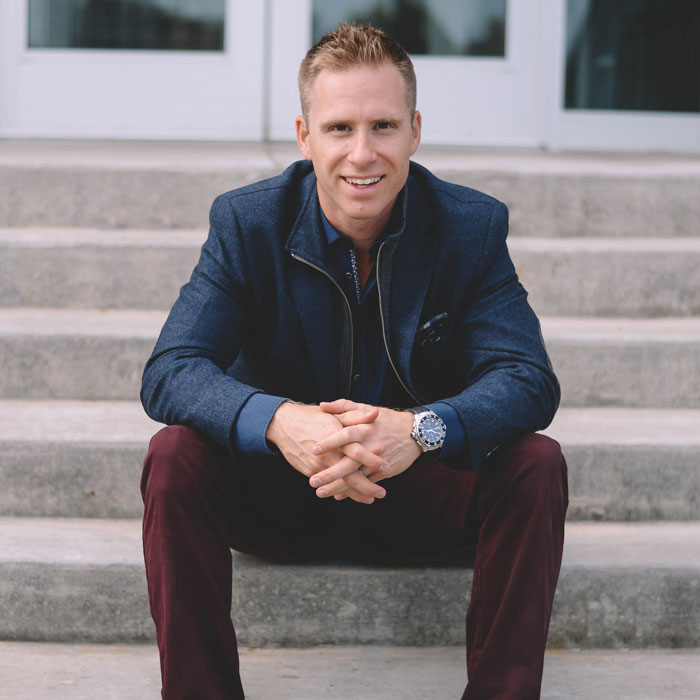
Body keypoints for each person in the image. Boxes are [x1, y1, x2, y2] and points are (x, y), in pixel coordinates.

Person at [140, 22, 568, 700]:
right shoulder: (248, 223)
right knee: (174, 455)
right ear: (304, 136)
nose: (361, 153)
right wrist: (279, 420)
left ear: (415, 132)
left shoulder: (470, 226)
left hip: (417, 496)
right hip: (281, 495)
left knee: (537, 463)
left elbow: (527, 379)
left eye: (383, 126)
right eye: (339, 128)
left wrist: (419, 430)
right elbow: (171, 369)